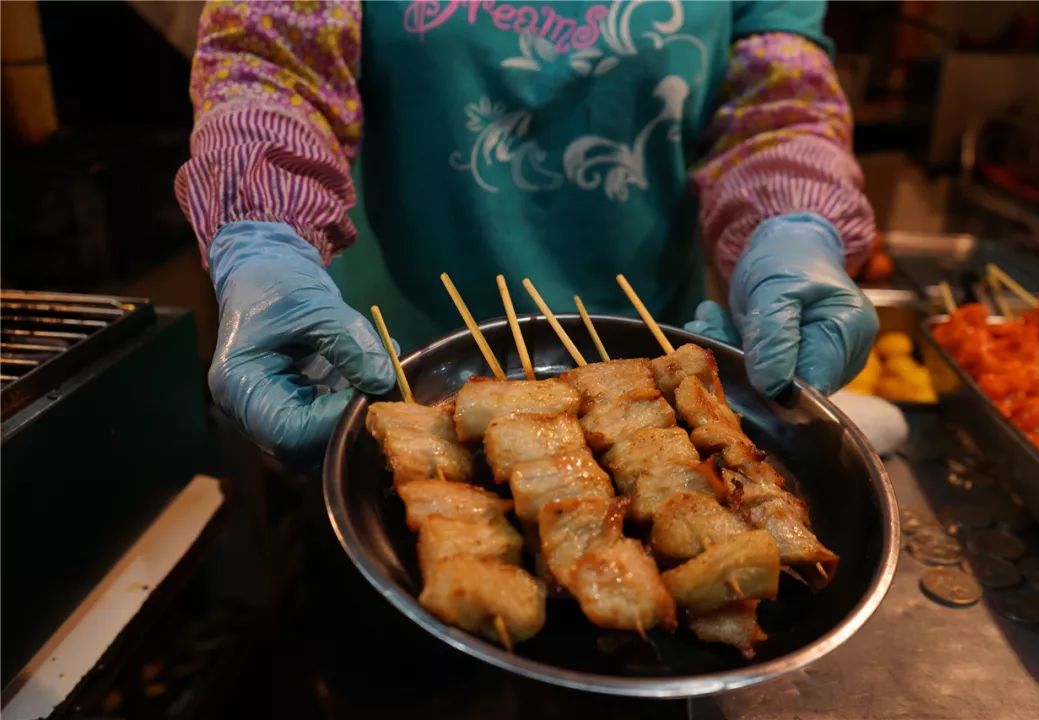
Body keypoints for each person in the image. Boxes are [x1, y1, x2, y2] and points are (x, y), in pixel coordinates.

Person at [177, 0, 878, 457]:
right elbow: (270, 62)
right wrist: (262, 237)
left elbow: (776, 101)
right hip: (396, 366)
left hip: (651, 369)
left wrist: (794, 225)